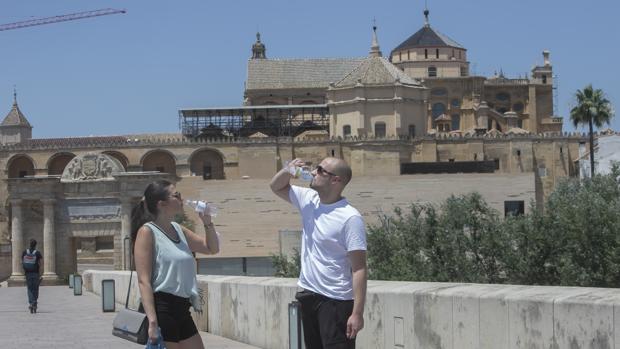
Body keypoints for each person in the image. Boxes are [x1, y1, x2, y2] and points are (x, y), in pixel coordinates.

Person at [270, 157, 367, 349]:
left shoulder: (350, 218)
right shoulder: (309, 199)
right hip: (309, 294)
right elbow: (275, 186)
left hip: (336, 301)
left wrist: (357, 313)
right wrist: (288, 170)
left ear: (336, 180)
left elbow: (359, 268)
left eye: (321, 170)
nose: (314, 172)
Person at [131, 180, 220, 349]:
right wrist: (152, 322)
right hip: (162, 308)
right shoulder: (147, 232)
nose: (181, 198)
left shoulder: (178, 228)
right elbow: (144, 280)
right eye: (176, 195)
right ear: (162, 204)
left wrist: (207, 221)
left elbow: (212, 248)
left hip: (182, 307)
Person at [22, 238, 42, 314]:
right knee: (35, 289)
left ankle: (31, 303)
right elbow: (40, 263)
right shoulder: (37, 253)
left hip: (28, 273)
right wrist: (40, 272)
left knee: (29, 289)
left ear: (29, 244)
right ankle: (34, 303)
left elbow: (22, 262)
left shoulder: (24, 252)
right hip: (35, 273)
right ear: (35, 245)